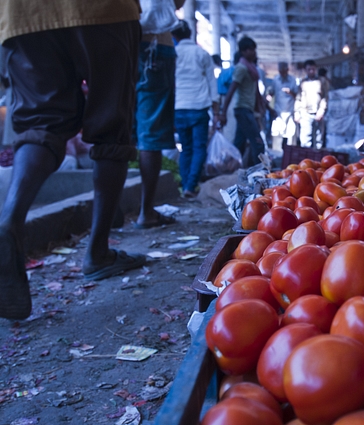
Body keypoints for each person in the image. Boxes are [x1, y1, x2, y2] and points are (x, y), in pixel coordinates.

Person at [0, 0, 144, 320]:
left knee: (41, 124)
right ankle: (98, 252)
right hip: (103, 10)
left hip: (23, 14)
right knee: (110, 127)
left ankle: (11, 218)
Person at [133, 0, 184, 229]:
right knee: (151, 134)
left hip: (117, 40)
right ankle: (146, 211)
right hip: (154, 45)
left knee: (115, 126)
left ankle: (107, 216)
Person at [172, 20, 218, 198]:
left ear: (174, 36)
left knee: (186, 148)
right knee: (199, 148)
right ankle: (191, 186)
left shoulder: (173, 54)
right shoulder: (201, 53)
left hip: (179, 108)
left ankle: (186, 186)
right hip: (199, 108)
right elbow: (212, 85)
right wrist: (216, 112)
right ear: (190, 34)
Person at [219, 37, 265, 167]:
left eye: (254, 49)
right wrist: (223, 113)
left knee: (239, 143)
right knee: (258, 143)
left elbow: (255, 92)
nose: (254, 52)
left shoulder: (251, 69)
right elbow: (231, 91)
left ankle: (231, 168)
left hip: (246, 110)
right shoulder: (242, 68)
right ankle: (260, 172)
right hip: (243, 110)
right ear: (243, 51)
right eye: (251, 50)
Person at [296, 60, 330, 148]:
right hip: (305, 113)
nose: (311, 71)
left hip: (318, 113)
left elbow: (325, 97)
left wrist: (322, 110)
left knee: (319, 140)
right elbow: (298, 98)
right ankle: (306, 160)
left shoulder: (322, 81)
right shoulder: (302, 82)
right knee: (305, 140)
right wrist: (296, 113)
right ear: (305, 70)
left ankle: (317, 160)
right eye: (309, 69)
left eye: (313, 69)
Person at [270, 62, 298, 151]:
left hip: (290, 111)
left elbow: (297, 95)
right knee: (277, 134)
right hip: (278, 111)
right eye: (280, 71)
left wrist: (290, 92)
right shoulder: (275, 80)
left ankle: (290, 155)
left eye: (284, 71)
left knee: (290, 134)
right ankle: (276, 154)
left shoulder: (293, 80)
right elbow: (271, 92)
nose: (282, 73)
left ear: (287, 70)